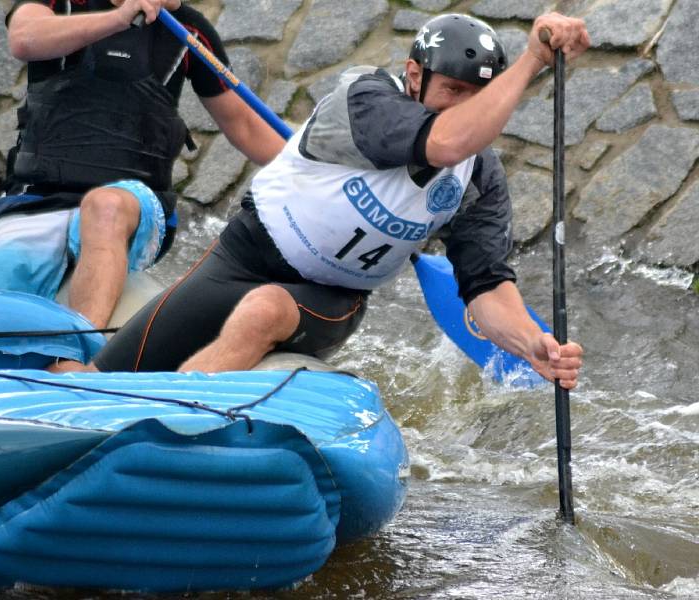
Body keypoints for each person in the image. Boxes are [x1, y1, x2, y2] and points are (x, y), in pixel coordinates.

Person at [57, 12, 587, 388]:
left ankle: (172, 420)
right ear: (414, 76)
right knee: (93, 375)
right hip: (239, 257)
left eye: (480, 98)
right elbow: (447, 139)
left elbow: (485, 285)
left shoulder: (480, 180)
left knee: (264, 311)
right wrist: (532, 60)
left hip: (331, 297)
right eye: (453, 90)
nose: (466, 108)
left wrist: (528, 343)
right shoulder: (364, 99)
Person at [0, 0, 284, 329]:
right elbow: (24, 38)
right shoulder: (61, 4)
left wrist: (313, 163)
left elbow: (244, 124)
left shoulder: (191, 29)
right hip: (38, 199)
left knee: (106, 206)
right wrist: (118, 20)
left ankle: (79, 351)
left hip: (133, 202)